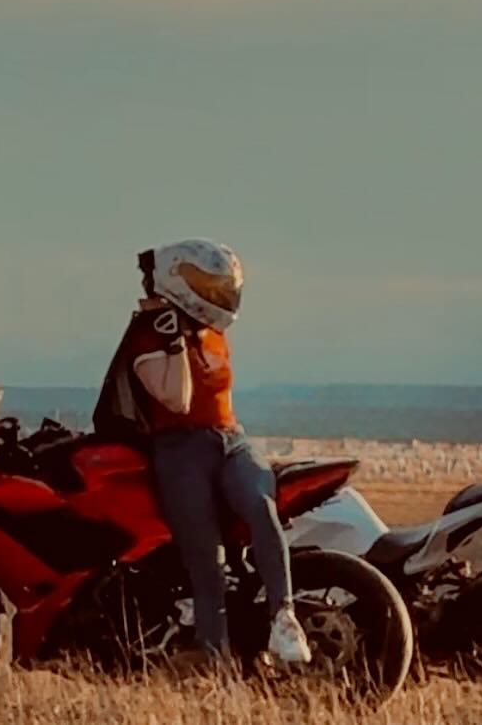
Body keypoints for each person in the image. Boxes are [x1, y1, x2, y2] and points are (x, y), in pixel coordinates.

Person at [93, 239, 311, 667]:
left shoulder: (213, 332)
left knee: (262, 510)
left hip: (230, 438)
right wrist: (174, 340)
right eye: (206, 284)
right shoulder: (148, 334)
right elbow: (177, 400)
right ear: (178, 279)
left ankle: (284, 617)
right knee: (205, 557)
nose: (217, 294)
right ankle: (216, 658)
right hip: (180, 449)